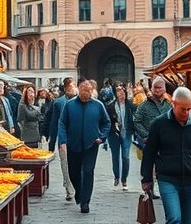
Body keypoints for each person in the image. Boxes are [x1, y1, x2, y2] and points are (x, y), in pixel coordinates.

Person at [141, 87, 191, 224]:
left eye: (189, 109)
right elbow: (149, 152)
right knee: (174, 218)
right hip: (168, 179)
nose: (186, 113)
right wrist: (146, 179)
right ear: (173, 103)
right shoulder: (159, 124)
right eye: (183, 109)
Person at [58, 79, 111, 213]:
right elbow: (62, 123)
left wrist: (102, 137)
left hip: (91, 145)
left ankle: (85, 201)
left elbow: (106, 123)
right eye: (84, 90)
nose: (87, 93)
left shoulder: (98, 105)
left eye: (89, 91)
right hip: (73, 145)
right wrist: (62, 141)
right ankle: (79, 193)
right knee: (74, 173)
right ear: (79, 90)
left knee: (88, 172)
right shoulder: (69, 105)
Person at [135, 77, 172, 199]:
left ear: (164, 89)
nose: (157, 90)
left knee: (163, 167)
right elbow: (137, 121)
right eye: (155, 87)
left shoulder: (169, 105)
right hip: (150, 142)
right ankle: (149, 189)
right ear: (151, 89)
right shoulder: (144, 106)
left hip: (166, 143)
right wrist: (145, 135)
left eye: (159, 87)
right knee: (149, 167)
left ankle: (164, 188)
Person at [47, 78, 75, 201]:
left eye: (74, 86)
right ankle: (69, 189)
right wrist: (51, 144)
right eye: (70, 87)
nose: (72, 89)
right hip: (63, 139)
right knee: (65, 164)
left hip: (77, 139)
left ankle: (71, 185)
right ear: (65, 89)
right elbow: (54, 124)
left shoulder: (81, 101)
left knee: (75, 165)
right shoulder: (58, 103)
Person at [106, 85, 135, 191]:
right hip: (114, 134)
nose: (121, 94)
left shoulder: (130, 105)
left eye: (122, 91)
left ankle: (124, 179)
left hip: (127, 133)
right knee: (115, 156)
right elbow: (107, 121)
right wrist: (114, 124)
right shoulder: (110, 106)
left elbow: (137, 116)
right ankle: (117, 176)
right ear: (115, 93)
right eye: (118, 91)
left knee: (126, 157)